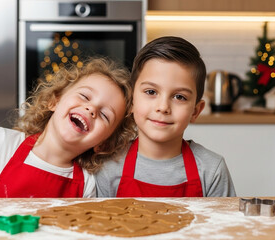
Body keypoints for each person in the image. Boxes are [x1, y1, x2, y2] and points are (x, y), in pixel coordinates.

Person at [0, 58, 136, 205]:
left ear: (103, 144)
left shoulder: (87, 184)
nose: (92, 109)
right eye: (84, 96)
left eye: (104, 115)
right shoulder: (3, 143)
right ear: (54, 101)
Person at [95, 36, 236, 197]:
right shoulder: (108, 167)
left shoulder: (211, 170)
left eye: (179, 97)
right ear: (131, 100)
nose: (163, 108)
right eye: (151, 92)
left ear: (196, 111)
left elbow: (224, 222)